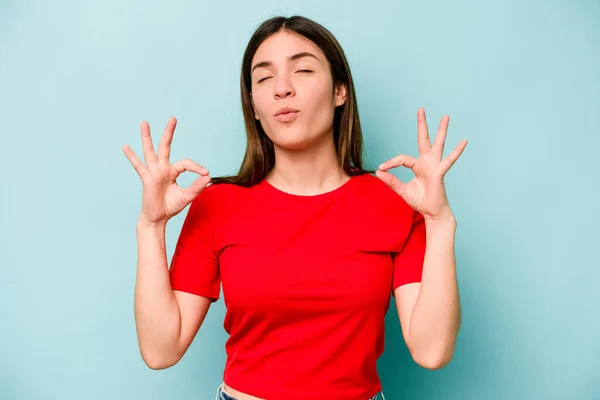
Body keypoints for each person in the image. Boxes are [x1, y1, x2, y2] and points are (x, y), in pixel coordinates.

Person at [122, 15, 466, 400]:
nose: (282, 89)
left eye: (302, 70)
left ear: (340, 91)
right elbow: (160, 350)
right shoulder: (217, 204)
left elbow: (432, 350)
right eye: (264, 78)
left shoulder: (395, 202)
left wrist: (440, 222)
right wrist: (151, 227)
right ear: (253, 105)